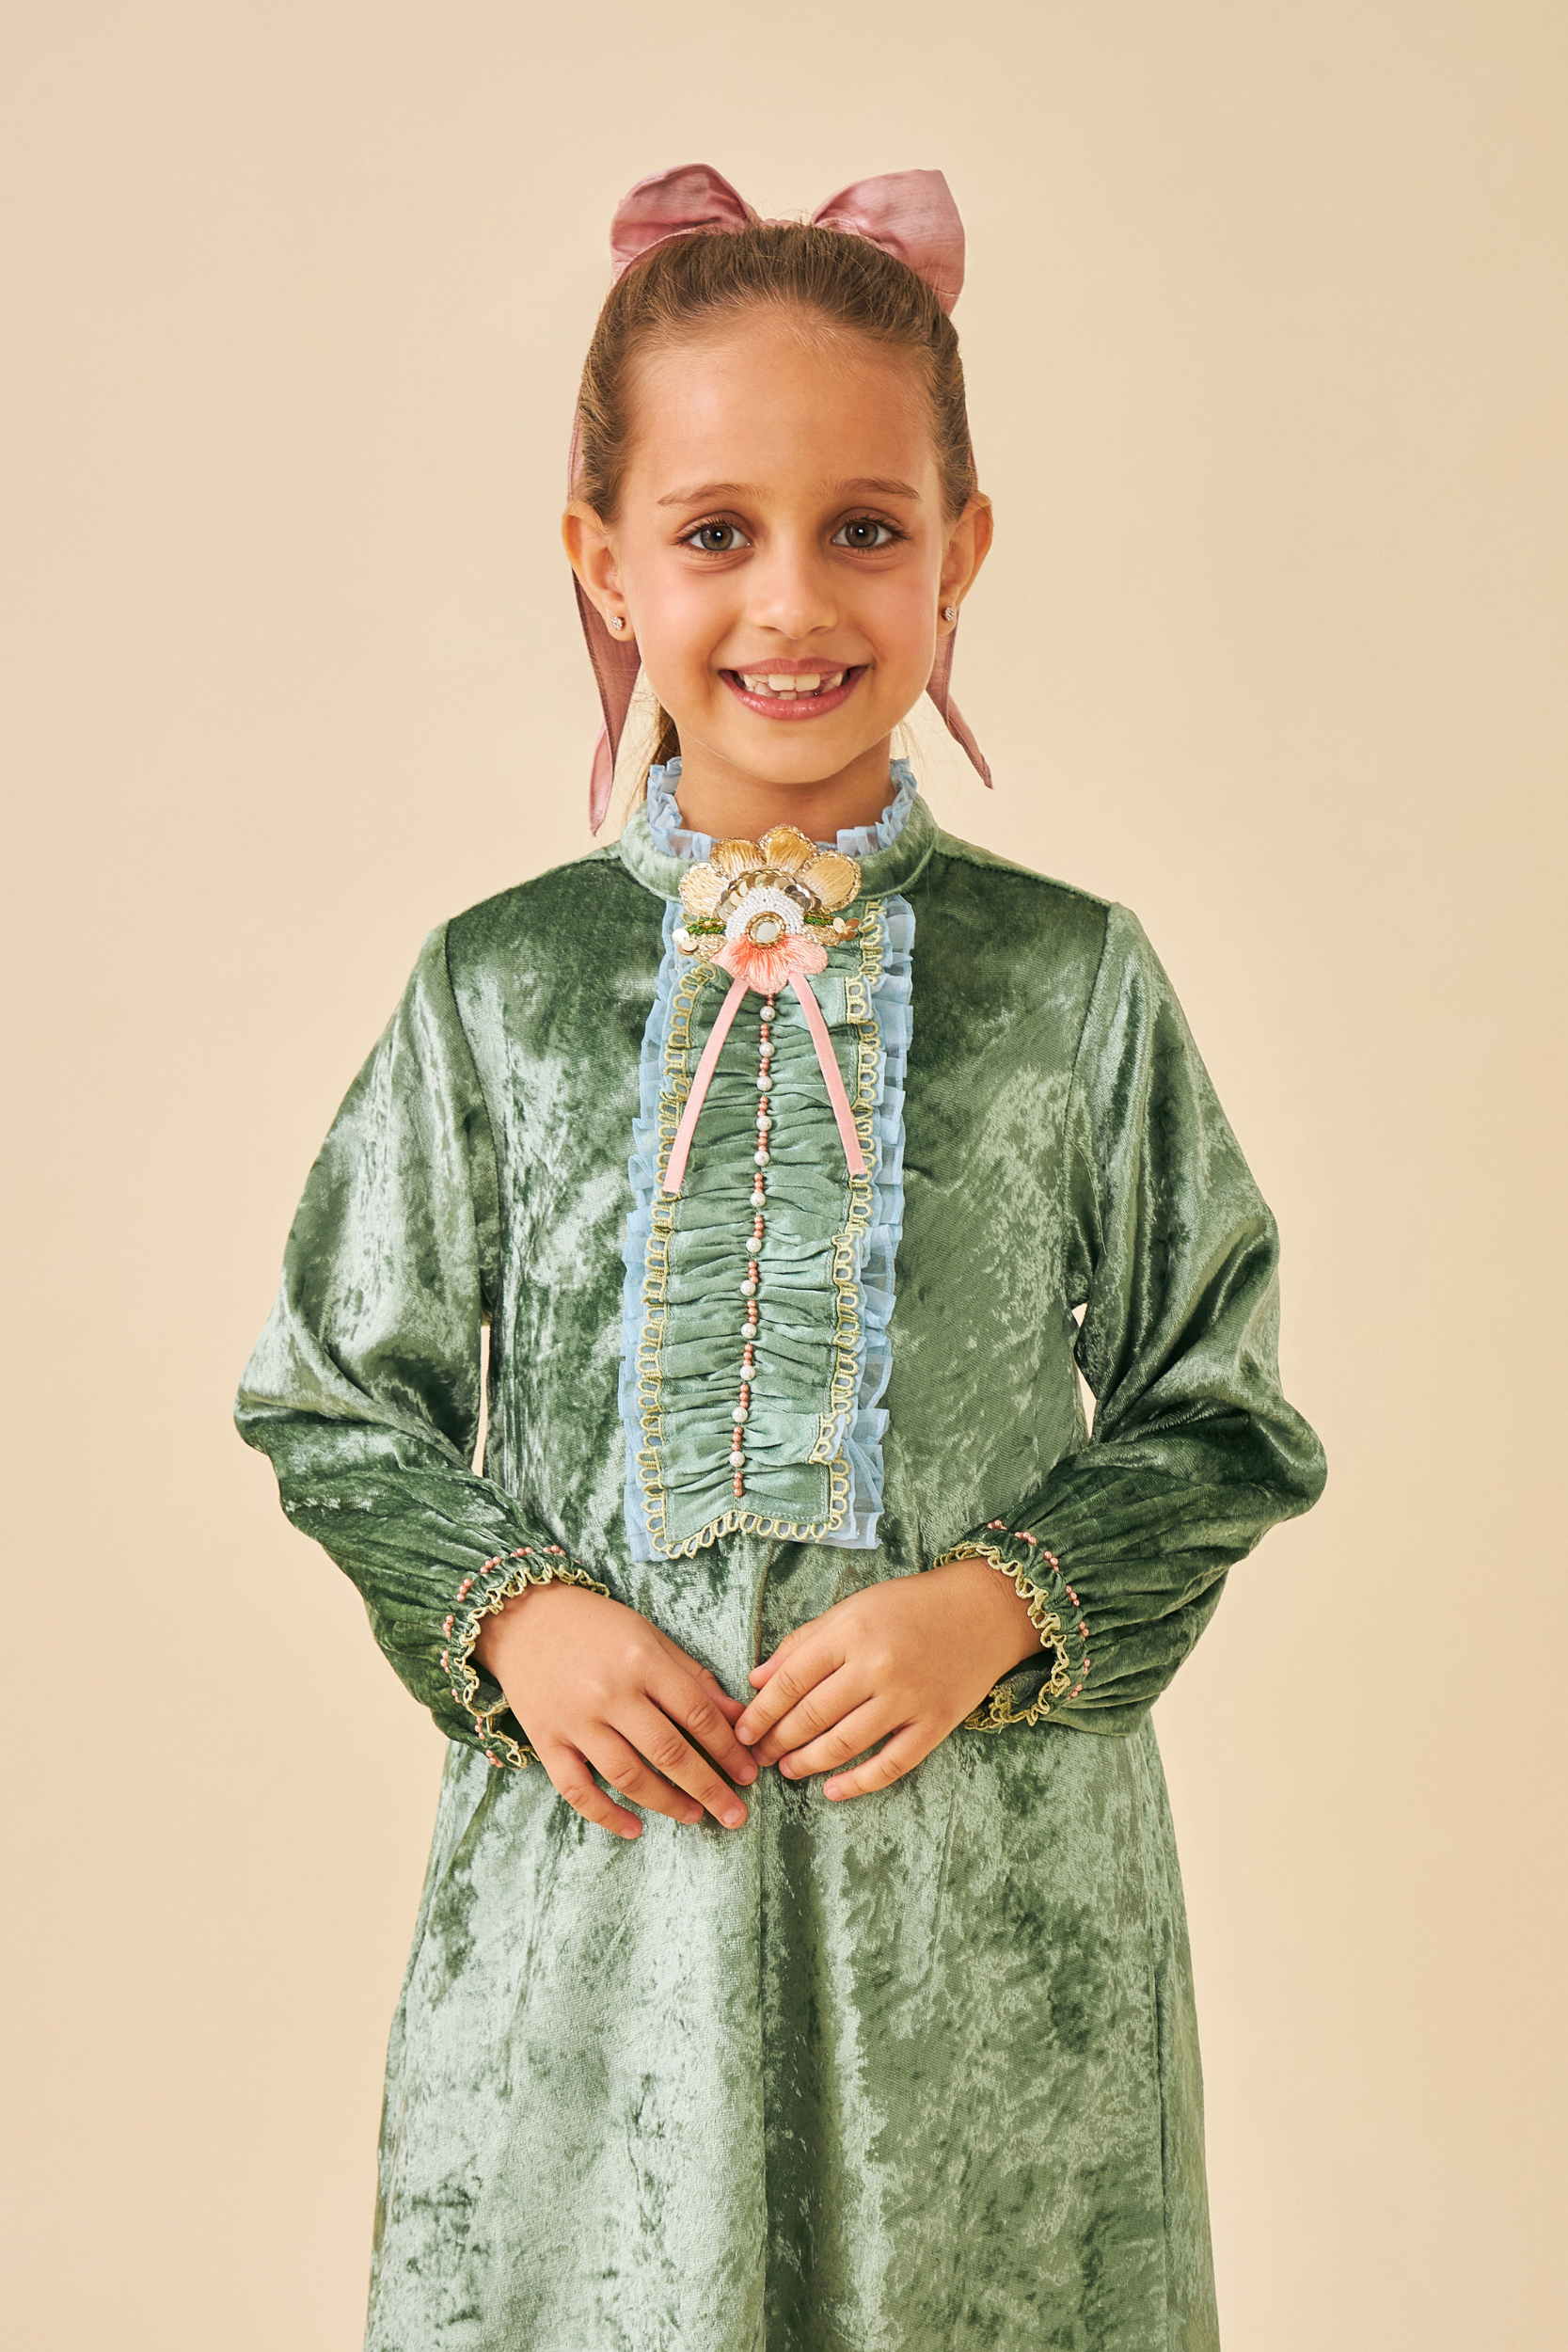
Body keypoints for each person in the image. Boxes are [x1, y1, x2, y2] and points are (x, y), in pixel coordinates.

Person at [236, 164, 1326, 2352]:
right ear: (601, 558)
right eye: (715, 530)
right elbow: (329, 1392)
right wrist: (517, 1609)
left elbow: (1219, 1402)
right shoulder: (497, 989)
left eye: (864, 528)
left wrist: (993, 1600)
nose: (792, 601)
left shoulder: (1072, 984)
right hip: (602, 1906)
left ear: (960, 549)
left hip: (983, 1920)